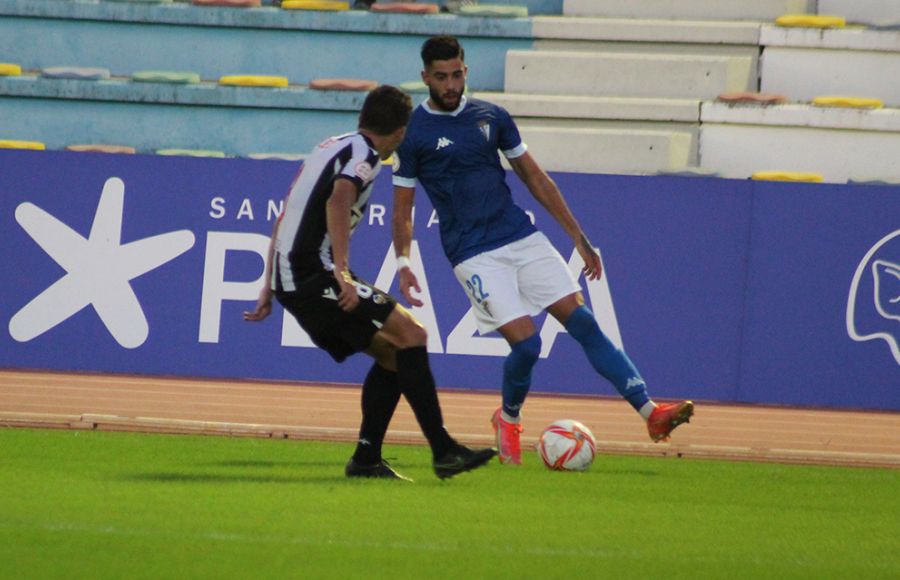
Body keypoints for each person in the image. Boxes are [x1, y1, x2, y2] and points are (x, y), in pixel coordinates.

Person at [391, 36, 694, 465]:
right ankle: (509, 418)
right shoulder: (413, 133)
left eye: (457, 74)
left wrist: (578, 236)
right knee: (528, 347)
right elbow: (403, 209)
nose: (451, 84)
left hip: (519, 236)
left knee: (584, 323)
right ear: (425, 77)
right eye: (441, 77)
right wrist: (404, 261)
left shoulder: (491, 117)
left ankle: (650, 412)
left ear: (465, 71)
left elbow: (536, 179)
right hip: (472, 252)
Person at [244, 85, 496, 481]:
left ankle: (366, 459)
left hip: (293, 273)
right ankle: (444, 450)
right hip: (313, 272)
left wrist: (267, 283)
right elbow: (339, 199)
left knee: (395, 355)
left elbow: (287, 210)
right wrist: (342, 272)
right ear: (400, 130)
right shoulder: (365, 157)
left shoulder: (332, 144)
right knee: (412, 334)